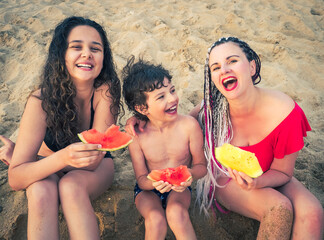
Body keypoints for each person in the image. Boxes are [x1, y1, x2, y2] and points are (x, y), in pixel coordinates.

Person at [126, 37, 323, 240]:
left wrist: (258, 181)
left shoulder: (286, 113)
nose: (224, 70)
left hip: (271, 173)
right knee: (279, 209)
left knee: (313, 214)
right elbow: (170, 123)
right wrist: (139, 117)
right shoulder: (210, 110)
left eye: (232, 61)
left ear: (252, 67)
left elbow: (283, 172)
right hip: (226, 179)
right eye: (216, 67)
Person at [5, 16, 122, 240]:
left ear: (103, 58)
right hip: (51, 164)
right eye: (76, 47)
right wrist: (60, 159)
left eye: (95, 49)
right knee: (40, 191)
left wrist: (40, 164)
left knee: (70, 186)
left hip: (95, 169)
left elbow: (93, 161)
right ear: (61, 55)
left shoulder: (105, 91)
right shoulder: (40, 100)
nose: (87, 53)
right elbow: (15, 179)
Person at [122, 56, 207, 240]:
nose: (173, 99)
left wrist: (189, 175)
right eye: (161, 97)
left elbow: (202, 167)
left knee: (176, 213)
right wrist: (154, 183)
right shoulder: (136, 135)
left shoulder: (189, 126)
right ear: (143, 108)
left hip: (181, 188)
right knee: (155, 219)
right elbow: (142, 179)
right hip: (148, 190)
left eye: (172, 90)